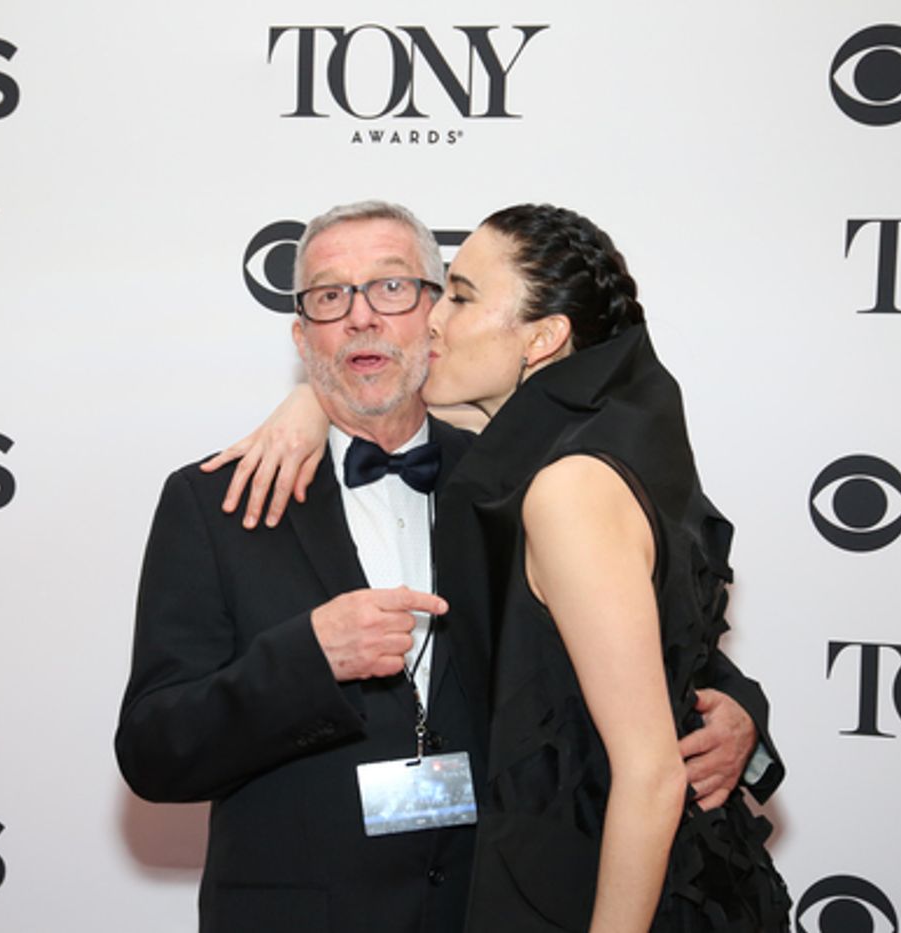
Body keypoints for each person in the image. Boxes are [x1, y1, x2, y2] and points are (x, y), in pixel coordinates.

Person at [116, 202, 778, 933]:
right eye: (330, 297)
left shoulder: (518, 482)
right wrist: (309, 658)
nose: (361, 316)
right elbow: (152, 751)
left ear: (433, 315)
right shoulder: (215, 501)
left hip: (493, 907)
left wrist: (740, 714)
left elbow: (653, 637)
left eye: (391, 287)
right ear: (302, 337)